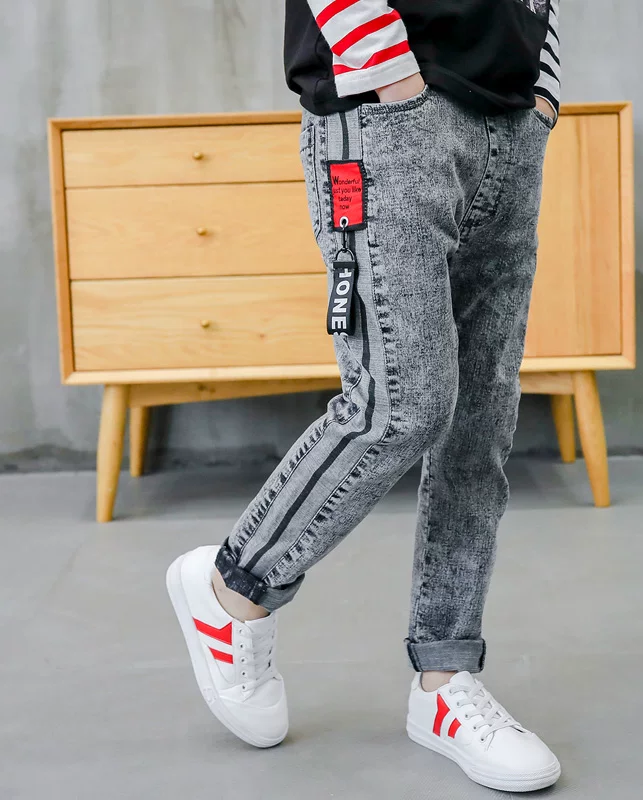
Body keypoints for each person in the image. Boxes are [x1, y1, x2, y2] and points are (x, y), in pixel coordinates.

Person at [167, 0, 562, 792]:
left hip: (511, 124)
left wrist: (543, 89)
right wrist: (390, 76)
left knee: (481, 423)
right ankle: (235, 586)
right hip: (391, 116)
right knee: (402, 403)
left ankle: (445, 680)